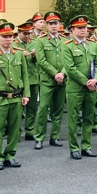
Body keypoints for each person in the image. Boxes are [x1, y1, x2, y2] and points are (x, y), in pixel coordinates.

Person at [0, 22, 30, 170]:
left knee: (15, 129)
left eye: (10, 36)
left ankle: (10, 155)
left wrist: (26, 94)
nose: (8, 39)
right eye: (4, 37)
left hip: (16, 97)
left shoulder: (18, 54)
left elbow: (25, 76)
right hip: (0, 99)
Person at [59, 16, 97, 159]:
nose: (84, 30)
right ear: (72, 30)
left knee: (89, 117)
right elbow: (70, 69)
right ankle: (74, 148)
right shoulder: (67, 46)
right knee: (73, 118)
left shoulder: (92, 45)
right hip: (75, 88)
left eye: (85, 28)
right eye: (80, 28)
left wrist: (95, 79)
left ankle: (86, 146)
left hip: (91, 87)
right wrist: (87, 82)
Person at [32, 12, 66, 149]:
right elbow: (41, 60)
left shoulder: (65, 40)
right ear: (46, 25)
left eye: (55, 23)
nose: (53, 26)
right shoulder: (41, 40)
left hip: (62, 80)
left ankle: (55, 137)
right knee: (43, 109)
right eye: (50, 23)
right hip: (47, 80)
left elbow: (68, 60)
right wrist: (55, 74)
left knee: (58, 110)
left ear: (59, 25)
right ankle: (39, 137)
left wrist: (62, 73)